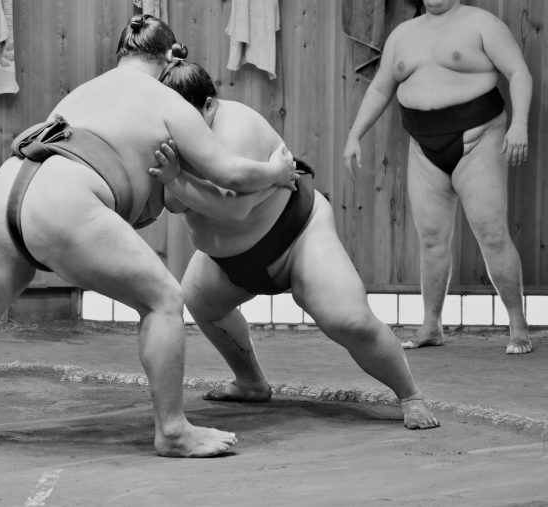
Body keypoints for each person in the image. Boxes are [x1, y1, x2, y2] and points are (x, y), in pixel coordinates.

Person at [0, 14, 298, 458]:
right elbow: (228, 172)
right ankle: (173, 431)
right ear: (172, 57)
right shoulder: (168, 101)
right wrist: (275, 171)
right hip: (67, 198)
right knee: (165, 300)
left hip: (12, 185)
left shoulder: (85, 90)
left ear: (122, 55)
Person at [150, 61, 439, 430]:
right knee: (200, 301)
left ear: (207, 105)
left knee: (348, 320)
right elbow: (173, 202)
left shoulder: (237, 128)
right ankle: (251, 382)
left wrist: (177, 180)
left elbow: (234, 209)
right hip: (227, 261)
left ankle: (409, 394)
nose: (178, 128)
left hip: (298, 236)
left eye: (184, 118)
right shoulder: (172, 138)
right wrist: (176, 181)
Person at [342, 0, 533, 354]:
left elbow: (519, 72)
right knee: (430, 239)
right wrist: (355, 134)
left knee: (492, 234)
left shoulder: (481, 24)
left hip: (479, 138)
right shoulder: (402, 34)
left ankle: (518, 325)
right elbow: (381, 88)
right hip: (423, 146)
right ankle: (431, 325)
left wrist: (519, 125)